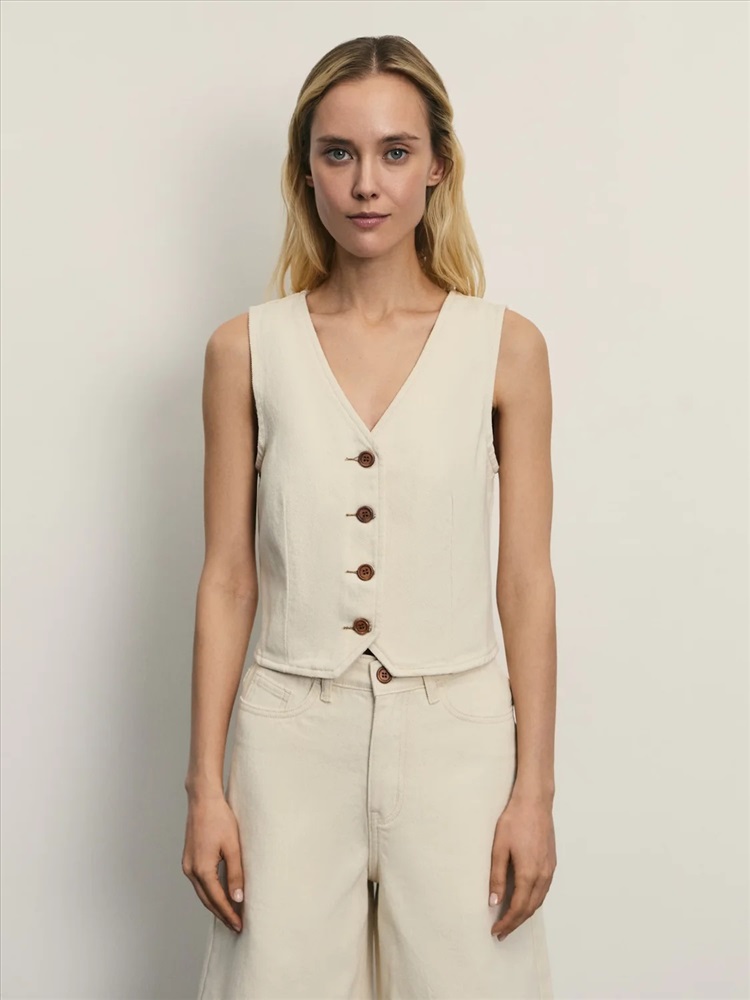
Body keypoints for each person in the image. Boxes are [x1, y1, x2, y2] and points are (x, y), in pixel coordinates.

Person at [182, 33, 557, 1000]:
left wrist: (534, 792)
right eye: (338, 152)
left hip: (459, 739)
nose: (366, 184)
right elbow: (228, 578)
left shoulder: (506, 349)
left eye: (395, 151)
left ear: (438, 166)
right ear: (305, 169)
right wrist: (206, 789)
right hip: (288, 740)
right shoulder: (244, 351)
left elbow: (525, 579)